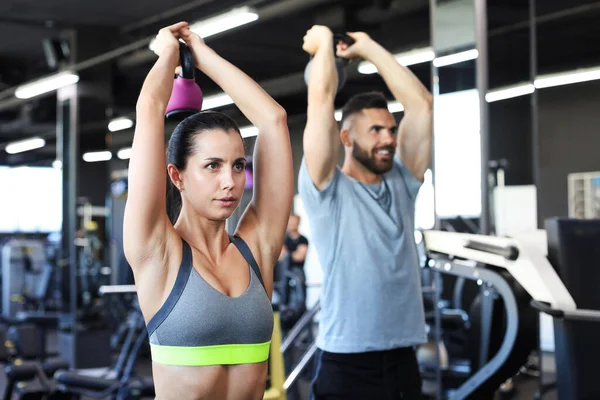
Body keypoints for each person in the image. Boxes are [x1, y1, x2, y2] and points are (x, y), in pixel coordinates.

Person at [123, 21, 293, 400]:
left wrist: (201, 53)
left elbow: (273, 120)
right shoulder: (157, 251)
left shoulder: (257, 249)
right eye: (212, 166)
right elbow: (150, 108)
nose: (230, 181)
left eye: (237, 165)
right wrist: (169, 54)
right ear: (177, 176)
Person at [298, 25, 433, 399]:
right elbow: (322, 101)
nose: (388, 139)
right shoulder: (327, 189)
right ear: (347, 138)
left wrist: (369, 47)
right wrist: (324, 43)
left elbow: (421, 104)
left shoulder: (403, 184)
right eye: (375, 130)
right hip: (347, 362)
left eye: (390, 129)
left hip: (403, 359)